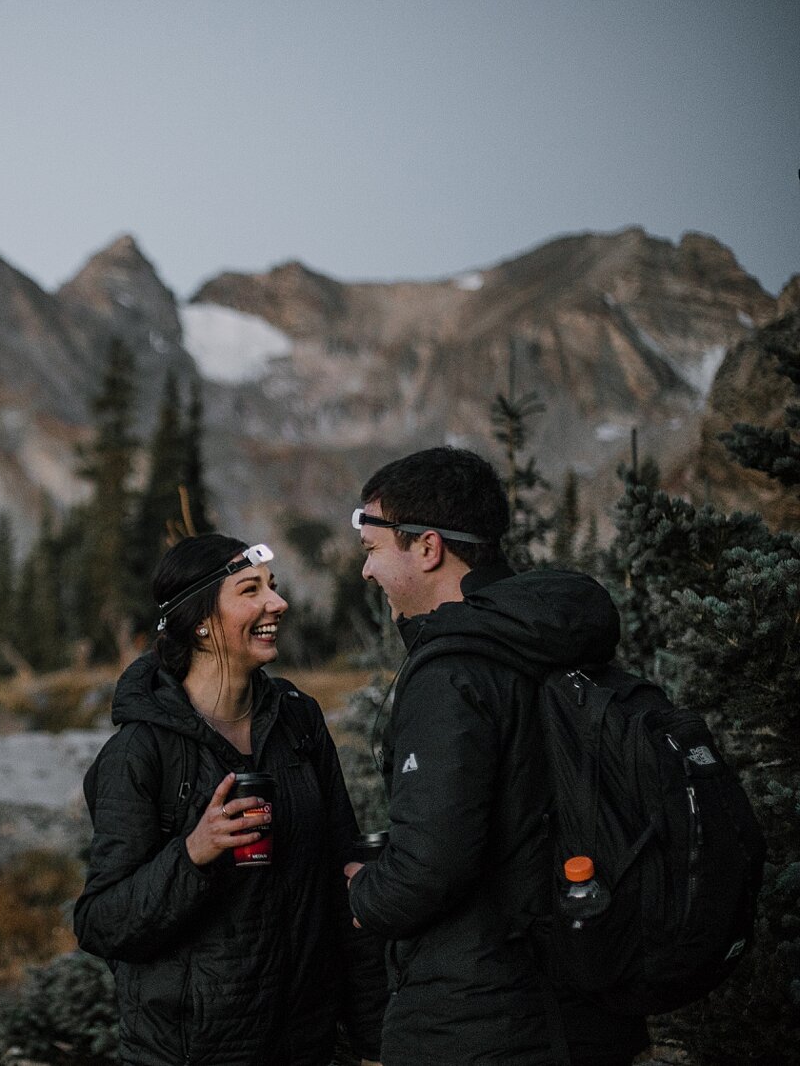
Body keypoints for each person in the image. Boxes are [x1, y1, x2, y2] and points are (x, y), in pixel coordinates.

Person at [343, 447, 649, 1066]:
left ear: (427, 548)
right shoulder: (554, 642)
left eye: (373, 551)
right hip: (587, 999)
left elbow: (431, 865)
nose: (367, 573)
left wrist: (362, 893)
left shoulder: (454, 669)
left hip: (477, 1021)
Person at [74, 533, 385, 1066]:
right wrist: (193, 852)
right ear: (201, 622)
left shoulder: (298, 720)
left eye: (274, 586)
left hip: (305, 1044)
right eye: (250, 590)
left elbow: (342, 877)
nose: (277, 603)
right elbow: (101, 921)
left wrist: (373, 1038)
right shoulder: (142, 751)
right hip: (192, 1052)